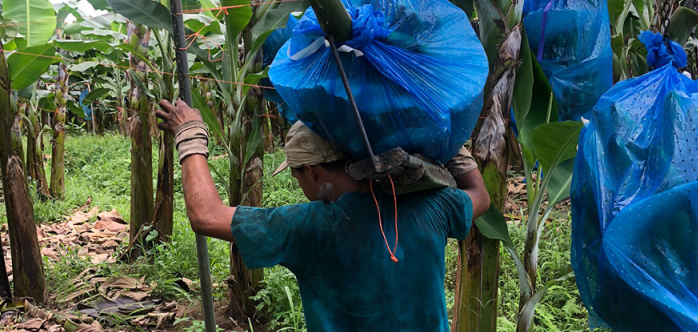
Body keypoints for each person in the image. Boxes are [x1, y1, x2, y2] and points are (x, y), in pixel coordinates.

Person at [156, 99, 491, 331]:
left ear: (314, 172)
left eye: (297, 174)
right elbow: (480, 196)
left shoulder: (311, 227)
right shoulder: (435, 207)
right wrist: (452, 147)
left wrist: (190, 133)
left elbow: (205, 215)